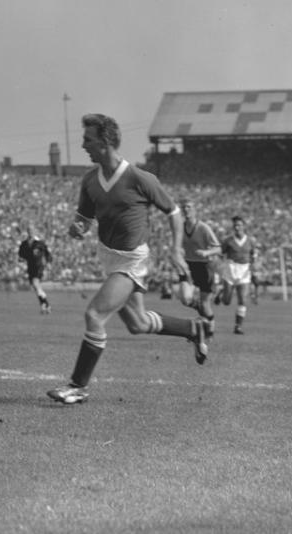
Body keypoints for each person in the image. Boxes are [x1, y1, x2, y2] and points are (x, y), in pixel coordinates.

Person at [47, 114, 211, 406]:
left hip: (132, 261)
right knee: (137, 323)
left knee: (94, 315)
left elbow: (173, 212)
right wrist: (78, 228)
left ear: (106, 141)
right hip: (110, 259)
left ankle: (77, 386)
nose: (83, 144)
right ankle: (192, 328)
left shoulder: (139, 178)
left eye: (88, 139)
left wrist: (175, 250)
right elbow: (84, 218)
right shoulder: (89, 180)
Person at [179, 199, 221, 337]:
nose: (186, 209)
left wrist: (207, 252)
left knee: (205, 303)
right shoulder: (180, 227)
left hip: (204, 266)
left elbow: (218, 248)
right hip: (188, 265)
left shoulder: (203, 228)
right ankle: (200, 309)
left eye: (189, 206)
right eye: (184, 207)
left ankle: (210, 329)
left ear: (194, 209)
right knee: (185, 298)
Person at [219, 215, 257, 333]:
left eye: (239, 225)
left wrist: (253, 264)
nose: (237, 227)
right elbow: (221, 252)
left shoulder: (251, 240)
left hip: (244, 270)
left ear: (244, 226)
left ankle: (238, 326)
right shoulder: (228, 240)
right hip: (231, 269)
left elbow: (253, 254)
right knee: (226, 301)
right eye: (235, 225)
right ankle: (221, 294)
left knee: (242, 299)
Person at [18, 224, 53, 314]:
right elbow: (21, 255)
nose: (31, 232)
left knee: (35, 283)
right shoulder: (24, 244)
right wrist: (21, 259)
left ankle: (45, 304)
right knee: (36, 287)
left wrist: (48, 262)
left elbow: (47, 253)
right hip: (30, 267)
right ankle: (44, 305)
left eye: (32, 230)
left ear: (35, 231)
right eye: (29, 230)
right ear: (27, 231)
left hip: (39, 266)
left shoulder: (40, 243)